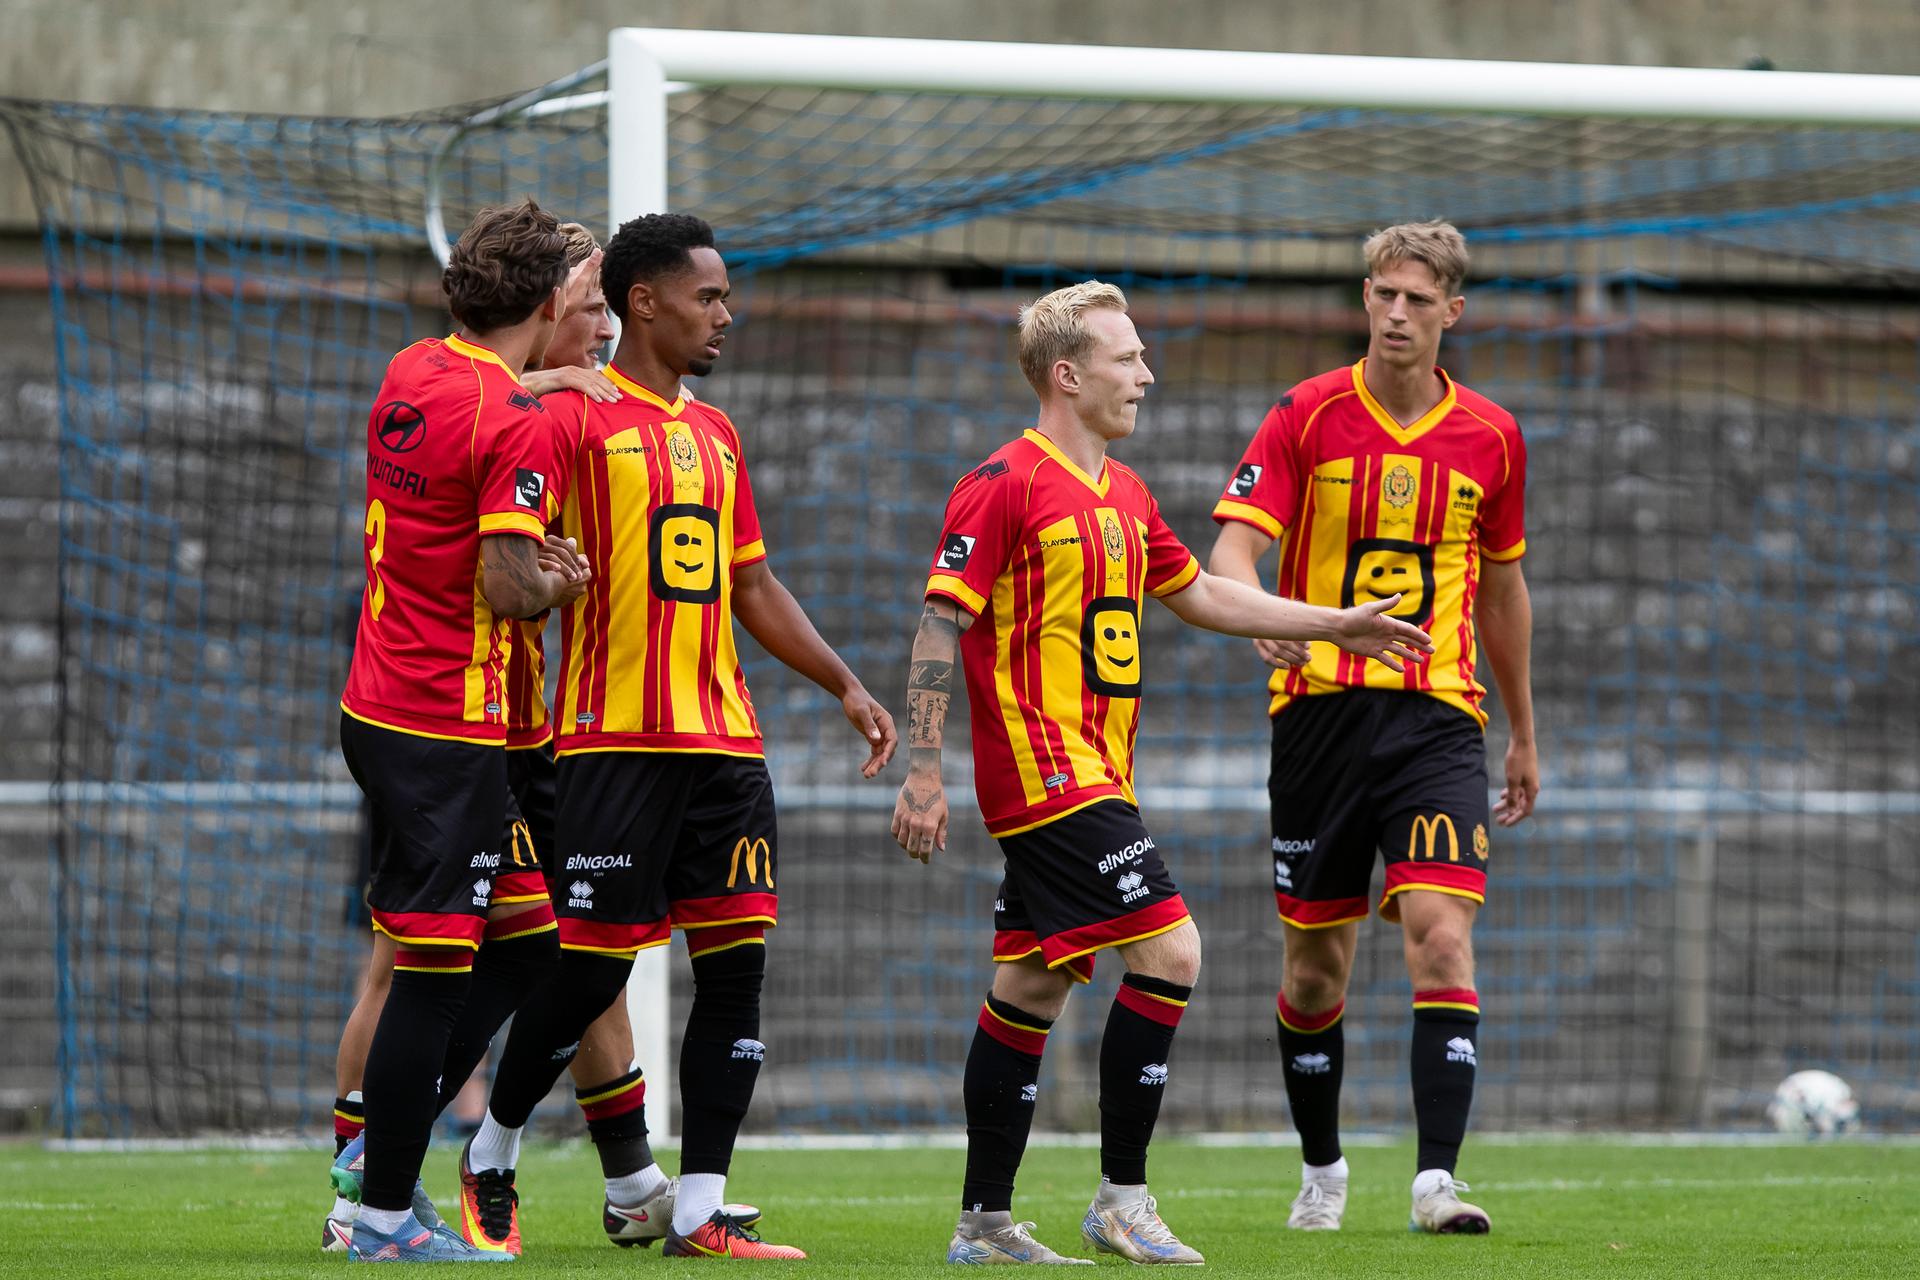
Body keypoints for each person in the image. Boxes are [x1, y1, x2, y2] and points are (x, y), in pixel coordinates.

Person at [891, 280, 1432, 1266]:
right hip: (1048, 775)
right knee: (1173, 952)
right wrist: (924, 773)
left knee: (1029, 984)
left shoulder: (1127, 494)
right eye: (1126, 356)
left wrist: (1334, 622)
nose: (1146, 373)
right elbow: (940, 623)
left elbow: (1209, 595)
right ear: (1068, 374)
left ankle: (983, 1222)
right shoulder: (1004, 481)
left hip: (1100, 771)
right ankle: (1122, 1198)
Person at [457, 212, 898, 1261]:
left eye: (728, 297)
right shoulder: (568, 420)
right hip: (612, 743)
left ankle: (698, 1203)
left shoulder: (719, 434)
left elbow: (750, 579)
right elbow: (502, 542)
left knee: (736, 968)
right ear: (642, 302)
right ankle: (492, 1147)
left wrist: (842, 680)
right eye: (710, 296)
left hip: (728, 746)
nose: (726, 315)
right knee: (590, 970)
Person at [1205, 220, 1538, 1235]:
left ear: (1451, 313)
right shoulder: (1305, 414)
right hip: (1318, 718)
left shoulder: (1493, 435)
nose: (1395, 312)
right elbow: (1229, 555)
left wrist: (1524, 730)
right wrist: (1274, 618)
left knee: (1442, 936)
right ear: (1365, 300)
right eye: (1380, 293)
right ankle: (1322, 1167)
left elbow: (1504, 589)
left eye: (1415, 298)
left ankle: (1437, 1180)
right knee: (1316, 966)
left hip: (1439, 718)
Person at [322, 222, 614, 1256]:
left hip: (381, 702)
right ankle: (384, 1214)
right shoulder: (515, 422)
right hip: (445, 724)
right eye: (583, 291)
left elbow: (465, 471)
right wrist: (559, 576)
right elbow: (503, 581)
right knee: (432, 972)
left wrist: (558, 382)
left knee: (531, 945)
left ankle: (377, 1156)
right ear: (545, 308)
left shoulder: (416, 367)